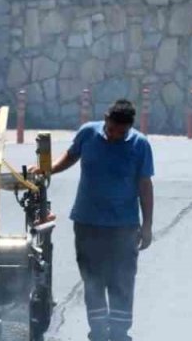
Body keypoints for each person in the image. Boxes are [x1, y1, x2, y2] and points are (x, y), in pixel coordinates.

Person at [38, 99, 154, 341]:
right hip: (87, 222)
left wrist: (147, 226)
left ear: (129, 128)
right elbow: (70, 157)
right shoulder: (88, 133)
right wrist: (47, 170)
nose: (114, 136)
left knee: (121, 280)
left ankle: (120, 332)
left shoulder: (140, 144)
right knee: (93, 279)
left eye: (120, 133)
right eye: (111, 129)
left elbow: (145, 185)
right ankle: (98, 331)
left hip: (123, 226)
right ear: (105, 119)